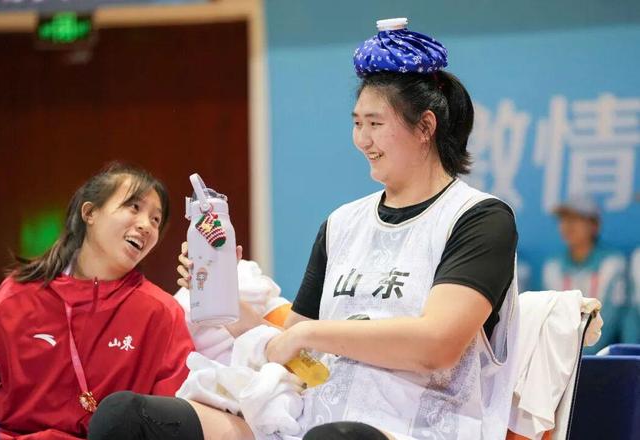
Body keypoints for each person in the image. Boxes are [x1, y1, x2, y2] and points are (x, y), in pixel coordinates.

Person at [89, 18, 519, 440]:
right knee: (125, 417)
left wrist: (312, 332)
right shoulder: (341, 224)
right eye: (357, 123)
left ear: (425, 126)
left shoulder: (479, 219)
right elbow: (295, 351)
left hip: (415, 428)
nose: (362, 139)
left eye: (375, 124)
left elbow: (436, 345)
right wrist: (224, 299)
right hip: (307, 416)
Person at [0, 163, 195, 439]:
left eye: (156, 219)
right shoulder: (17, 295)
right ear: (90, 213)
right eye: (134, 207)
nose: (146, 226)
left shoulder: (161, 312)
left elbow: (173, 420)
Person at [541, 195, 629, 353]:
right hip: (560, 358)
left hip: (602, 358)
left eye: (576, 219)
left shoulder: (613, 263)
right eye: (564, 219)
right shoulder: (552, 267)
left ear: (595, 226)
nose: (568, 225)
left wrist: (583, 356)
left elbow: (611, 319)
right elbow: (547, 319)